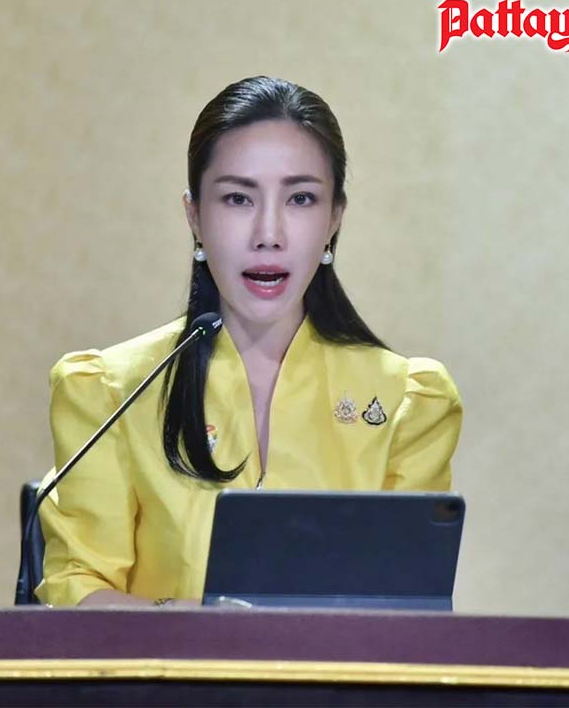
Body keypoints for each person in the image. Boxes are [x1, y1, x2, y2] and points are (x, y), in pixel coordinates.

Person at [36, 76, 462, 607]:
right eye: (238, 198)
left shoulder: (408, 403)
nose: (268, 234)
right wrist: (194, 628)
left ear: (334, 218)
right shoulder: (108, 392)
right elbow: (76, 590)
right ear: (195, 216)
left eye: (300, 198)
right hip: (164, 666)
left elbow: (408, 611)